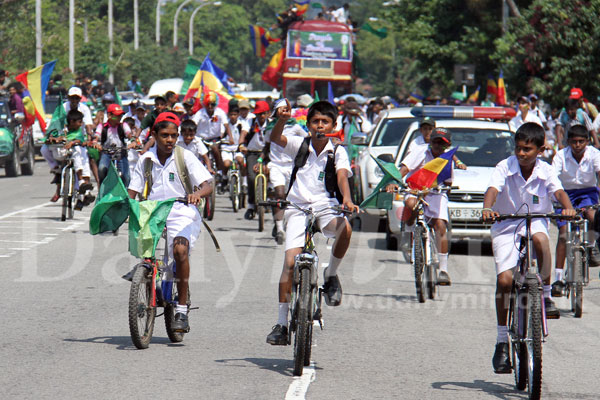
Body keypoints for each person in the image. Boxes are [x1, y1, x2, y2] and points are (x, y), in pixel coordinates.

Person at [481, 122, 575, 374]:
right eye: (519, 148)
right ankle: (502, 341)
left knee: (541, 240)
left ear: (541, 150)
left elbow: (559, 192)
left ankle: (545, 295)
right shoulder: (505, 166)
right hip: (506, 224)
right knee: (504, 281)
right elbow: (492, 189)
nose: (522, 154)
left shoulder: (545, 170)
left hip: (535, 221)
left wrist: (568, 208)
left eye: (527, 149)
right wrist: (488, 208)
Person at [265, 100, 359, 345]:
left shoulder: (338, 151)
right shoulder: (299, 144)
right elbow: (276, 138)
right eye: (315, 121)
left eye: (325, 121)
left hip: (325, 207)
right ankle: (282, 323)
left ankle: (331, 275)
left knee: (345, 228)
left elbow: (341, 177)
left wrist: (347, 200)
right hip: (297, 207)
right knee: (289, 263)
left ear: (333, 125)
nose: (320, 125)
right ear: (308, 124)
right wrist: (282, 120)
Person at [128, 112, 213, 333]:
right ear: (154, 135)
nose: (170, 140)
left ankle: (182, 310)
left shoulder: (184, 156)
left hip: (182, 211)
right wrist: (124, 203)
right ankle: (146, 276)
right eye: (165, 135)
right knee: (147, 252)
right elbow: (133, 191)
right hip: (154, 212)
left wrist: (198, 195)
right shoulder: (145, 159)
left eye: (174, 136)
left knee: (180, 251)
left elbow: (208, 184)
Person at [386, 128, 455, 285]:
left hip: (436, 192)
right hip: (415, 189)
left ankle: (443, 270)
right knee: (411, 204)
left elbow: (449, 183)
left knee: (440, 225)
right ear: (430, 142)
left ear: (447, 145)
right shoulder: (420, 152)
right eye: (435, 141)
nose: (438, 146)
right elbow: (404, 169)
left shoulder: (447, 158)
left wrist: (442, 190)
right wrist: (394, 182)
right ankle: (410, 235)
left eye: (442, 143)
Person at [551, 124, 600, 296]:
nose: (577, 145)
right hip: (565, 193)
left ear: (587, 141)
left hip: (588, 192)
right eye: (574, 142)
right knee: (564, 232)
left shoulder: (594, 154)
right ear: (568, 142)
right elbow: (553, 179)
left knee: (592, 215)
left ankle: (592, 245)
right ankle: (558, 277)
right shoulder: (560, 156)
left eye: (581, 141)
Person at [261, 99, 309, 244]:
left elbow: (308, 141)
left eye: (285, 109)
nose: (283, 112)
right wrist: (261, 162)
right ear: (276, 112)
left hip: (292, 166)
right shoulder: (270, 129)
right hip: (276, 165)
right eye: (280, 110)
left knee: (290, 199)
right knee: (279, 194)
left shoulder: (296, 128)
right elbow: (267, 147)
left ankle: (282, 223)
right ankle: (280, 228)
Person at [41, 110, 94, 206]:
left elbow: (80, 139)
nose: (81, 124)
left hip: (73, 153)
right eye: (79, 122)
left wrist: (72, 143)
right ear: (72, 122)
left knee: (78, 154)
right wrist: (54, 139)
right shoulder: (60, 128)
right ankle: (55, 168)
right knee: (43, 149)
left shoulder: (79, 130)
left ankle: (82, 184)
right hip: (59, 152)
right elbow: (49, 138)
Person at [238, 100, 269, 220]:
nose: (261, 116)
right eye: (259, 113)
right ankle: (251, 205)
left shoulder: (271, 123)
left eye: (263, 113)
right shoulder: (250, 123)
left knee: (270, 173)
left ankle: (268, 199)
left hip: (267, 153)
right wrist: (241, 144)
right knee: (251, 177)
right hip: (252, 153)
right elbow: (243, 134)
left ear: (268, 114)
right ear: (255, 114)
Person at [192, 92, 232, 175]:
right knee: (201, 154)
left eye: (212, 104)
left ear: (215, 104)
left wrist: (230, 137)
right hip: (202, 139)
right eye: (208, 104)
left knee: (215, 149)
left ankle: (220, 171)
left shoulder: (220, 112)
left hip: (215, 138)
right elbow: (193, 124)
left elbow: (226, 125)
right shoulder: (200, 113)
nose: (210, 107)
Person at [94, 103, 132, 186]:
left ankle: (126, 195)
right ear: (109, 115)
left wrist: (133, 141)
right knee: (101, 169)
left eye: (120, 116)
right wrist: (96, 143)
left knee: (126, 176)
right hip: (106, 153)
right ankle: (102, 189)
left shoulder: (123, 125)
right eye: (117, 115)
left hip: (121, 152)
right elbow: (96, 136)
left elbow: (129, 134)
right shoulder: (102, 126)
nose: (119, 118)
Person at [220, 105, 248, 192]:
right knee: (226, 164)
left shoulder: (242, 124)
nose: (233, 117)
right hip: (226, 148)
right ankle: (224, 178)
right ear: (228, 115)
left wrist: (240, 144)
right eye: (231, 115)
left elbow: (244, 133)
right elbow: (221, 135)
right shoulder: (225, 124)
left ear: (238, 115)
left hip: (238, 148)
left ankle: (244, 182)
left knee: (241, 161)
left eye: (235, 114)